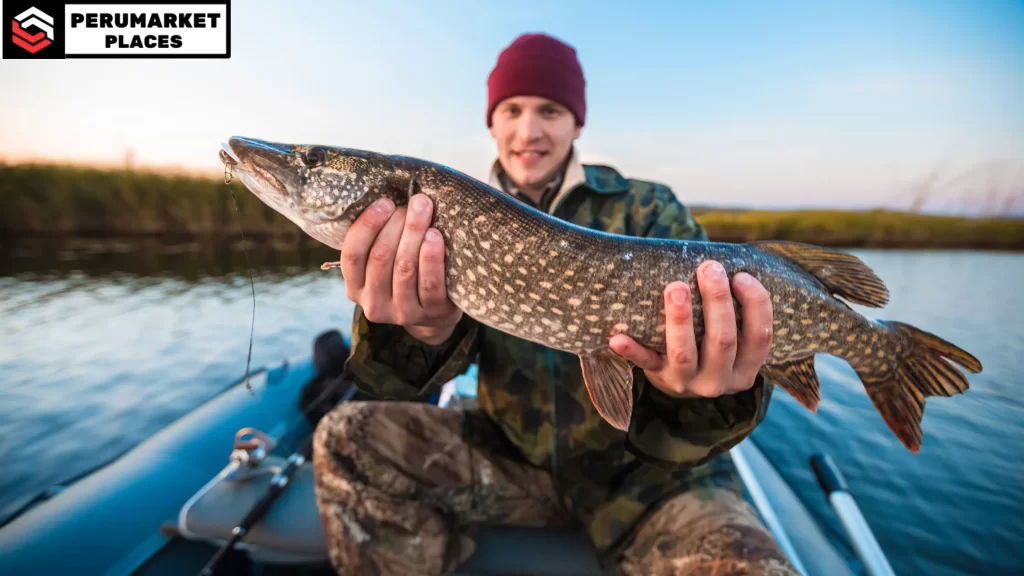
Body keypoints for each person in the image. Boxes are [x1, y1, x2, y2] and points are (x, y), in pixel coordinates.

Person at [311, 32, 798, 576]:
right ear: (491, 121)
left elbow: (713, 400)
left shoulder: (649, 208)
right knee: (345, 438)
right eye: (512, 109)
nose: (529, 130)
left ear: (577, 123)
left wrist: (698, 396)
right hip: (512, 458)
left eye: (550, 109)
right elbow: (398, 385)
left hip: (652, 480)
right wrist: (418, 333)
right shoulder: (437, 214)